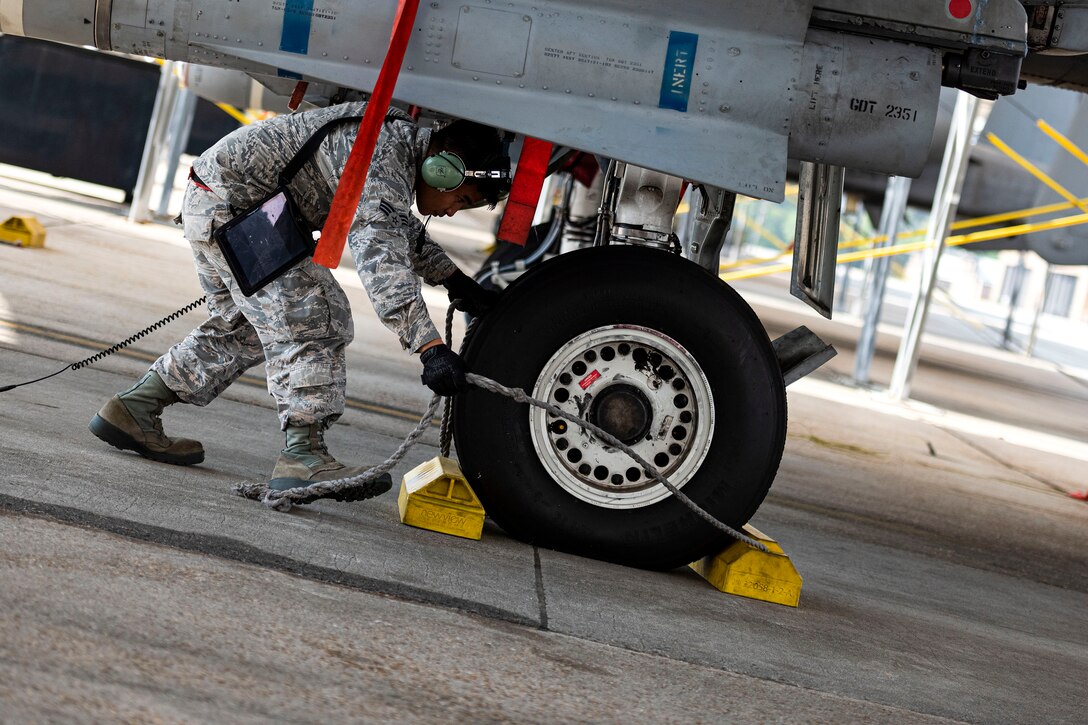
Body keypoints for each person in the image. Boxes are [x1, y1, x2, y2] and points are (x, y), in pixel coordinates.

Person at [89, 101, 509, 502]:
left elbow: (395, 226)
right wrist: (430, 348)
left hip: (221, 204)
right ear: (443, 171)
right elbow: (382, 259)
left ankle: (135, 409)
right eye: (463, 199)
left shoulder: (395, 151)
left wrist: (455, 280)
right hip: (238, 211)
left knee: (250, 330)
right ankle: (303, 455)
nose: (453, 212)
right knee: (316, 317)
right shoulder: (385, 155)